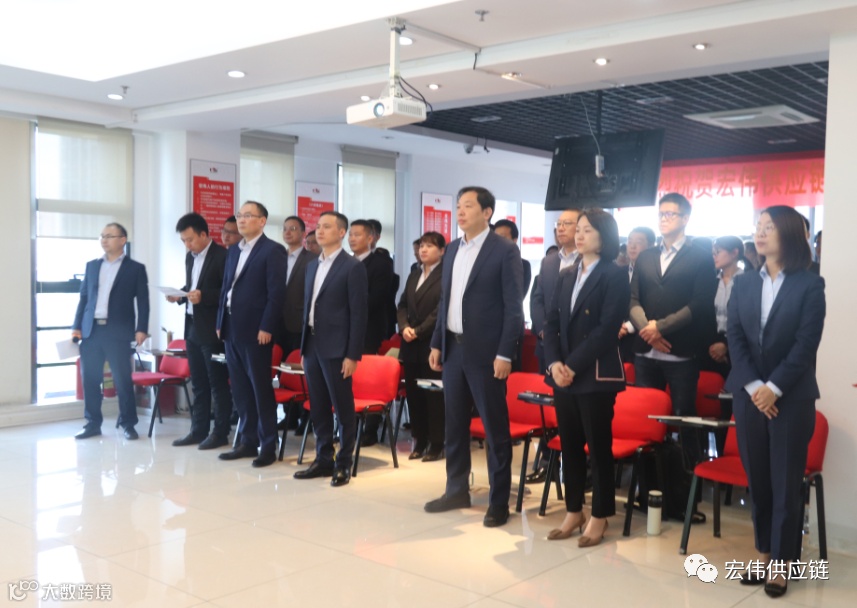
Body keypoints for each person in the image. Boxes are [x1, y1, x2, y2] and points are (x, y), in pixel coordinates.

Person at [725, 206, 825, 598]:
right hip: (750, 397)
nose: (760, 232)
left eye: (769, 227)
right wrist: (755, 387)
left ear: (789, 234)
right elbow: (734, 336)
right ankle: (764, 553)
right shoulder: (744, 283)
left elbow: (806, 344)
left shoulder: (809, 285)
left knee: (785, 483)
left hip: (791, 398)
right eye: (758, 226)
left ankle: (782, 564)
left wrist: (774, 387)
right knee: (760, 482)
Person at [426, 186, 523, 528]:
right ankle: (456, 489)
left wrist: (505, 353)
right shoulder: (453, 248)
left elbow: (514, 307)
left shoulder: (504, 250)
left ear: (487, 212)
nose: (461, 212)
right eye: (458, 206)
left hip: (487, 353)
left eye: (468, 206)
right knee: (454, 425)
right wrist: (437, 342)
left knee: (494, 429)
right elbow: (446, 301)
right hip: (453, 348)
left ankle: (498, 501)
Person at [543, 208, 629, 547]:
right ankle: (574, 510)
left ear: (605, 237)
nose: (579, 235)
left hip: (593, 373)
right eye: (577, 229)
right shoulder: (567, 273)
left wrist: (572, 366)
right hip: (562, 374)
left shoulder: (614, 274)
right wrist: (554, 364)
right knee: (570, 445)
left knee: (598, 446)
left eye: (588, 230)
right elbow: (551, 323)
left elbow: (607, 329)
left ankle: (600, 514)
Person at [629, 193, 717, 520]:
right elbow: (633, 299)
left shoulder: (700, 257)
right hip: (646, 352)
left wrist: (661, 328)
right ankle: (647, 491)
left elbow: (700, 304)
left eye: (671, 214)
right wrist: (647, 329)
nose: (664, 219)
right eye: (661, 214)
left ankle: (687, 498)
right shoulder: (646, 256)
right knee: (647, 422)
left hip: (681, 353)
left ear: (685, 219)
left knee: (684, 422)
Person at [294, 211, 368, 487]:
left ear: (341, 232)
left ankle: (343, 463)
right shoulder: (312, 265)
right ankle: (323, 458)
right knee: (319, 406)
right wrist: (303, 348)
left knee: (343, 407)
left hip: (338, 348)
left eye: (327, 226)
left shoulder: (352, 267)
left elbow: (359, 314)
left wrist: (352, 354)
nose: (320, 231)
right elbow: (308, 307)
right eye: (318, 226)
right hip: (312, 343)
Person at [216, 201, 287, 467]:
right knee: (241, 389)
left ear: (262, 221)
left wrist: (267, 326)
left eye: (248, 215)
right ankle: (247, 441)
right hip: (231, 327)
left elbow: (276, 293)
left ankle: (268, 445)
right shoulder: (234, 250)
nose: (242, 220)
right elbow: (226, 288)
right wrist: (220, 320)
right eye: (239, 215)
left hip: (256, 330)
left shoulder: (272, 250)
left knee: (260, 389)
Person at [72, 223, 149, 441]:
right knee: (90, 379)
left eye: (109, 236)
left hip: (119, 332)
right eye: (102, 236)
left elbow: (143, 301)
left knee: (122, 380)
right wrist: (76, 326)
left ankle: (128, 424)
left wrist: (141, 328)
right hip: (92, 331)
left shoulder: (135, 269)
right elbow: (84, 298)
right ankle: (92, 423)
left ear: (122, 240)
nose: (104, 240)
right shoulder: (92, 266)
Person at [167, 213, 233, 449]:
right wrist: (180, 295)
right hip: (193, 328)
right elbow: (193, 287)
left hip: (214, 331)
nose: (187, 245)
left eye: (190, 239)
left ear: (204, 234)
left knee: (217, 383)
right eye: (183, 241)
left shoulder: (223, 256)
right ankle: (198, 430)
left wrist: (203, 296)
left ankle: (220, 432)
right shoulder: (190, 258)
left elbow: (227, 292)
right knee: (198, 383)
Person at [397, 231, 446, 461]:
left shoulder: (446, 275)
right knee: (414, 395)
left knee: (433, 395)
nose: (423, 250)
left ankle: (436, 443)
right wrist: (404, 326)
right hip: (410, 345)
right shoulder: (414, 274)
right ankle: (420, 440)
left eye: (430, 246)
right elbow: (402, 305)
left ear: (442, 251)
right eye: (422, 246)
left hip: (431, 343)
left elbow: (440, 311)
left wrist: (418, 331)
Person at [531, 209, 581, 374]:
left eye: (567, 223)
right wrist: (543, 330)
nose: (561, 228)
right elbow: (538, 299)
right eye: (558, 224)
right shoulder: (548, 261)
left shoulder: (589, 261)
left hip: (577, 346)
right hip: (547, 344)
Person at [705, 235, 745, 378]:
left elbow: (748, 320)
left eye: (718, 252)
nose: (714, 256)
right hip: (712, 347)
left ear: (734, 253)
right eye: (713, 253)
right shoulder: (711, 281)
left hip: (739, 347)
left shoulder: (748, 280)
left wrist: (726, 345)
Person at [280, 215, 317, 355]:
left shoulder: (313, 260)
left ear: (303, 233)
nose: (287, 232)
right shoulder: (277, 257)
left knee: (295, 362)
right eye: (285, 229)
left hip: (298, 323)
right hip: (276, 321)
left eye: (293, 229)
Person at [619, 227, 656, 364]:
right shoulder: (618, 272)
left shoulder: (655, 275)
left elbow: (652, 305)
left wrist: (628, 326)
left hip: (643, 337)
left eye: (639, 242)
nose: (632, 246)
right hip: (616, 338)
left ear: (651, 246)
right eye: (629, 241)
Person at [493, 219, 532, 298]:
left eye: (502, 237)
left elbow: (518, 296)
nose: (498, 241)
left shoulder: (523, 265)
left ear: (514, 240)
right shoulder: (487, 263)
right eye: (495, 237)